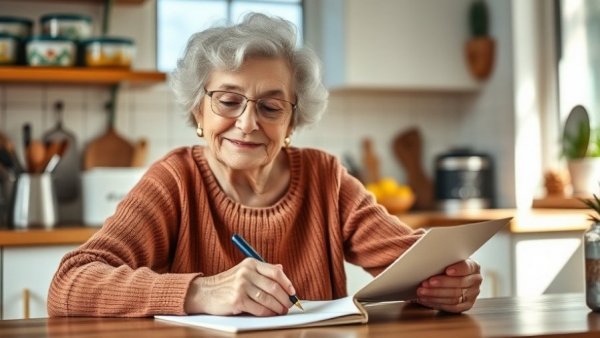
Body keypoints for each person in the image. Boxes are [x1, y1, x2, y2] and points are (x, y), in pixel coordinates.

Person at [48, 13, 482, 318]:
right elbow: (70, 284)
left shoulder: (324, 177)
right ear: (199, 111)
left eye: (271, 107)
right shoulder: (175, 180)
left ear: (293, 120)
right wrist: (200, 291)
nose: (248, 123)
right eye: (229, 101)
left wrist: (447, 279)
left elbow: (408, 262)